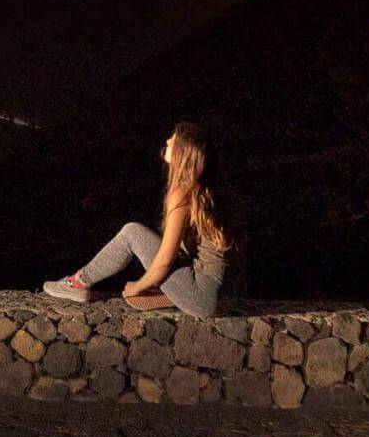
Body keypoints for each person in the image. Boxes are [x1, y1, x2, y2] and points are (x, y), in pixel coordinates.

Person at [43, 120, 244, 318]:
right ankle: (170, 293)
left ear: (182, 152)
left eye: (173, 139)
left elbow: (165, 259)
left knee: (132, 232)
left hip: (200, 295)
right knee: (151, 242)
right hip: (217, 293)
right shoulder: (202, 191)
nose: (167, 141)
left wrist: (137, 286)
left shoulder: (183, 193)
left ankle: (77, 283)